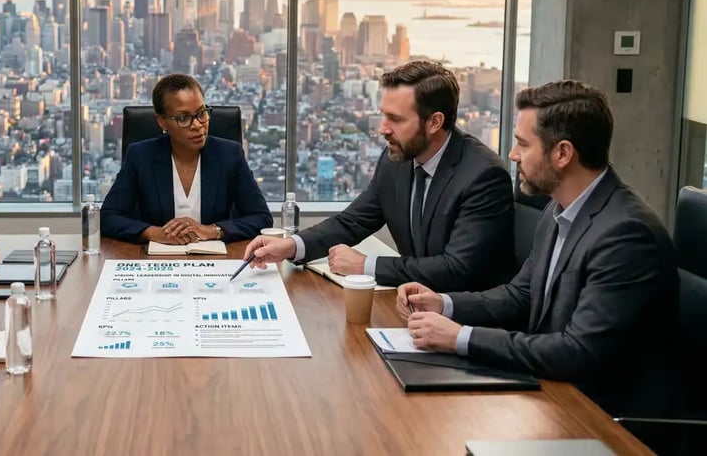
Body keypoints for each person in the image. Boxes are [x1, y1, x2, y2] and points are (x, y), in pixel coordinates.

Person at [396, 80, 678, 417]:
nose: (512, 155)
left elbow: (578, 351)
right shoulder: (560, 207)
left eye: (522, 144)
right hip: (552, 394)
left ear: (562, 153)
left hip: (601, 417)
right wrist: (445, 304)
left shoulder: (627, 235)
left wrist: (461, 337)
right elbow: (522, 294)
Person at [244, 61, 514, 292]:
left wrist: (366, 266)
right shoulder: (396, 160)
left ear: (434, 122)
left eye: (395, 119)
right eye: (383, 116)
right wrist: (291, 246)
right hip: (414, 307)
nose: (382, 129)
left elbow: (457, 269)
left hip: (467, 324)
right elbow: (352, 222)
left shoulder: (483, 176)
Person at [101, 73, 272, 244]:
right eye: (183, 118)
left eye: (201, 113)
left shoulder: (229, 154)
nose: (197, 125)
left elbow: (262, 218)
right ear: (162, 122)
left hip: (216, 260)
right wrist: (152, 233)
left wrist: (213, 230)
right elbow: (107, 217)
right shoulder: (140, 156)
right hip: (157, 261)